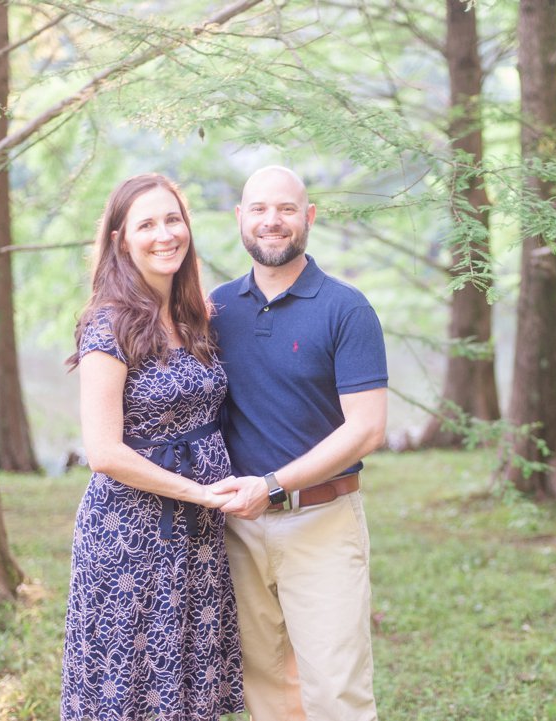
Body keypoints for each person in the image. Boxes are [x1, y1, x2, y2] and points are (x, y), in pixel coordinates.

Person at [208, 166, 388, 721]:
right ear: (240, 219)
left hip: (321, 523)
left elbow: (367, 428)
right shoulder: (214, 309)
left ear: (308, 217)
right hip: (238, 528)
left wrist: (274, 485)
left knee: (336, 693)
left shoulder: (346, 308)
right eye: (259, 209)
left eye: (286, 209)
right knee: (267, 691)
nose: (272, 221)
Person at [61, 173, 243, 721]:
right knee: (132, 689)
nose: (164, 234)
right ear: (120, 239)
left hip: (200, 540)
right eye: (146, 224)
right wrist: (202, 493)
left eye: (173, 219)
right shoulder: (108, 324)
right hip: (130, 541)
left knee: (187, 684)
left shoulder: (193, 316)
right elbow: (104, 452)